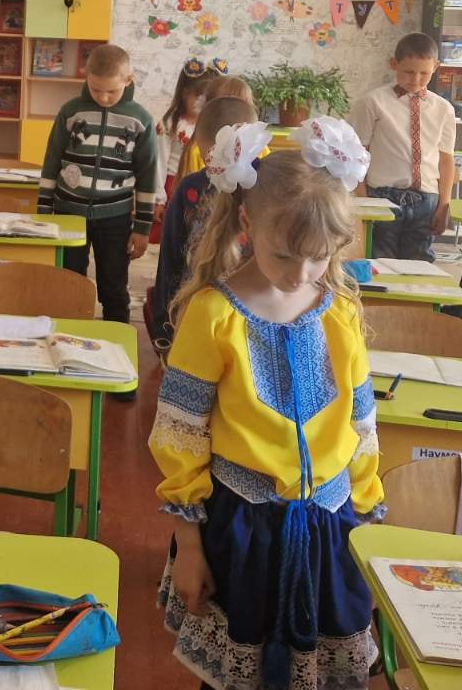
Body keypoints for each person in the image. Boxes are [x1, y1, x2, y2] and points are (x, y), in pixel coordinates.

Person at [151, 118, 382, 689]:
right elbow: (180, 434)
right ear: (247, 223)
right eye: (283, 256)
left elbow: (361, 424)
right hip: (242, 530)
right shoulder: (213, 314)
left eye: (319, 258)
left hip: (331, 528)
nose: (300, 275)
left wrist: (369, 516)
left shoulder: (340, 313)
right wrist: (189, 546)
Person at [38, 43, 159, 330]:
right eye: (95, 89)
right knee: (68, 284)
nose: (103, 97)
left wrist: (143, 227)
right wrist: (43, 210)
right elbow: (51, 161)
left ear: (128, 80)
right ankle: (66, 337)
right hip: (69, 214)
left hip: (115, 218)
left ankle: (117, 342)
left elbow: (147, 175)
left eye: (112, 91)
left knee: (114, 288)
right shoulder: (70, 112)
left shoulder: (140, 120)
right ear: (86, 78)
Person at [146, 101, 263, 358]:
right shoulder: (269, 182)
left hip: (196, 316)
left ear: (202, 146)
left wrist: (163, 323)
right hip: (255, 322)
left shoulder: (191, 188)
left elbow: (170, 260)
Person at [347, 31, 455, 260]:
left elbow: (446, 159)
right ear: (394, 64)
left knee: (419, 263)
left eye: (424, 73)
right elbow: (356, 154)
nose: (416, 79)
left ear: (436, 67)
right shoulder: (372, 102)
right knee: (379, 260)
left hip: (427, 200)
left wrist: (444, 203)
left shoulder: (444, 109)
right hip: (382, 197)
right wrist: (362, 199)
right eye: (408, 72)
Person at [152, 57, 219, 242]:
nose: (202, 102)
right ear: (184, 93)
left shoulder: (214, 124)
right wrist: (159, 199)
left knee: (200, 237)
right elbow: (159, 163)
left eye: (208, 98)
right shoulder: (170, 124)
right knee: (175, 235)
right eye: (198, 96)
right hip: (175, 186)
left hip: (207, 187)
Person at [177, 75, 257, 179]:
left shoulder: (257, 147)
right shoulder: (198, 151)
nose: (239, 112)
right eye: (231, 106)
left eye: (246, 106)